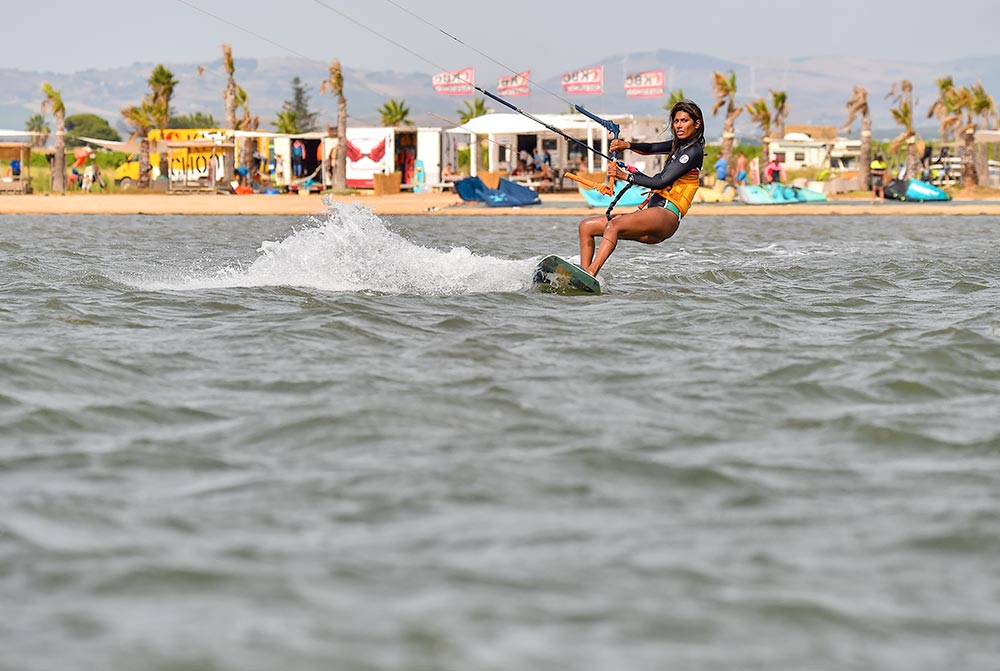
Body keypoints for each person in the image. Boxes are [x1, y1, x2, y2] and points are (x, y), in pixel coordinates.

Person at [577, 99, 705, 278]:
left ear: (697, 123)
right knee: (586, 227)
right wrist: (627, 145)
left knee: (613, 226)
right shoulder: (679, 145)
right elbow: (651, 148)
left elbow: (660, 182)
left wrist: (625, 176)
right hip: (653, 213)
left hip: (666, 215)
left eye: (684, 121)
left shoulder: (693, 151)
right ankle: (583, 276)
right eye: (676, 121)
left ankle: (591, 272)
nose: (679, 126)